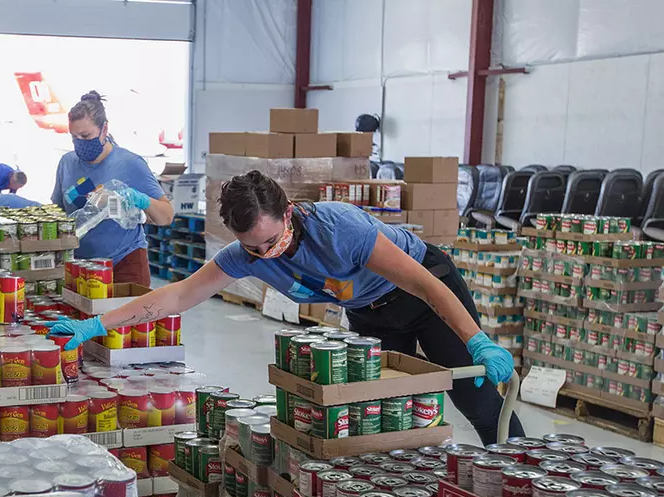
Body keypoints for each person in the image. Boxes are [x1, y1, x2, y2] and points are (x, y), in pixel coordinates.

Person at [47, 171, 523, 445]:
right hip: (367, 309)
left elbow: (423, 285)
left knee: (476, 397)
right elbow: (175, 296)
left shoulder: (339, 229)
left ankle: (519, 476)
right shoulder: (244, 257)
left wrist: (476, 339)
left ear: (290, 212)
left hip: (423, 293)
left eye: (272, 241)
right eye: (252, 247)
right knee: (378, 410)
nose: (264, 254)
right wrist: (96, 324)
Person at [51, 90, 174, 286]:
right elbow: (57, 211)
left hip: (123, 263)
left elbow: (166, 216)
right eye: (74, 137)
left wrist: (138, 198)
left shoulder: (130, 164)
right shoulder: (67, 163)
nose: (80, 143)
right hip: (79, 266)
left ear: (104, 129)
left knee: (123, 315)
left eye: (86, 135)